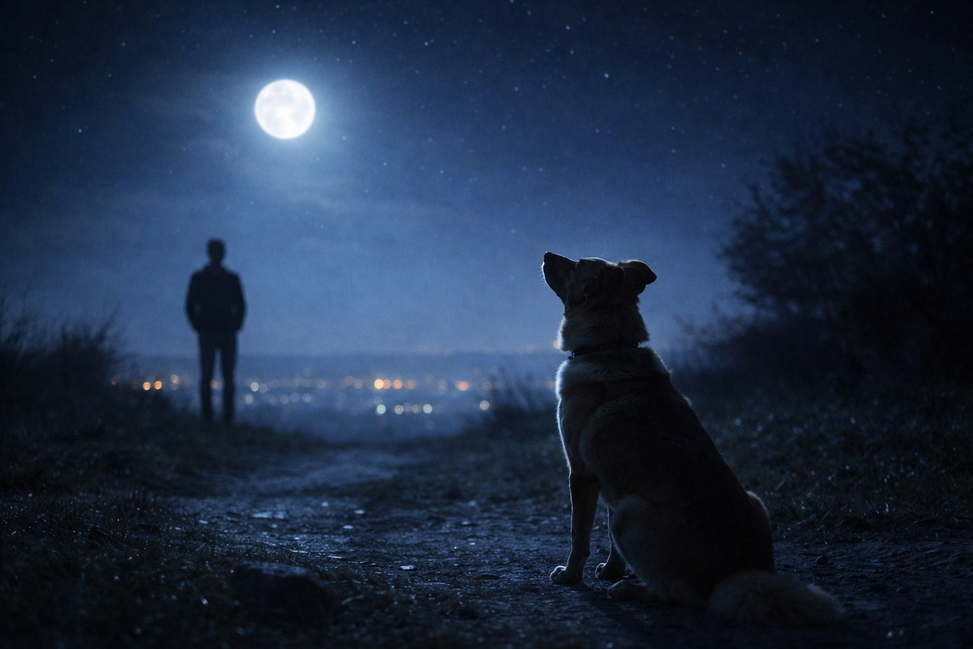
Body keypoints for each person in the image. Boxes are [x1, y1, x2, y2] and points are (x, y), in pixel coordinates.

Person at [185, 238, 246, 424]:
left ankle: (221, 418)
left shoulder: (227, 279)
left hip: (221, 332)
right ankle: (211, 418)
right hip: (214, 332)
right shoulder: (204, 278)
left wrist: (234, 325)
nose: (218, 255)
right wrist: (200, 325)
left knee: (221, 376)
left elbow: (241, 305)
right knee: (211, 375)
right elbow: (190, 305)